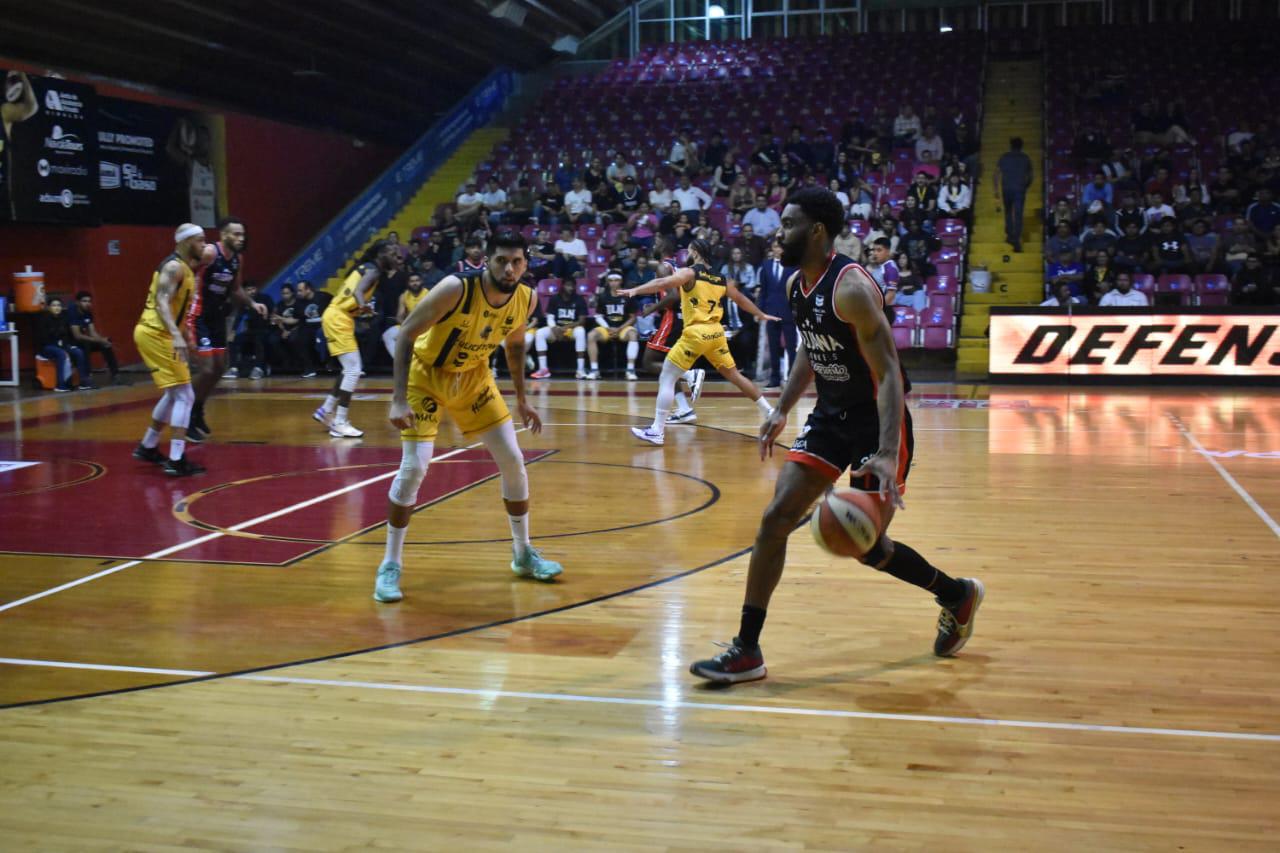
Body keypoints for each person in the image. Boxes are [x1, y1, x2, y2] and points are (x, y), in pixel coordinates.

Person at [689, 188, 983, 683]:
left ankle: (956, 593)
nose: (776, 233)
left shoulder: (850, 287)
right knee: (775, 519)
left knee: (866, 545)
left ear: (817, 231)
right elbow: (813, 345)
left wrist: (888, 453)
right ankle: (747, 649)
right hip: (830, 416)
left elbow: (889, 374)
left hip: (876, 422)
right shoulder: (795, 283)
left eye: (787, 224)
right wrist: (782, 407)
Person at [375, 230, 562, 602]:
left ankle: (522, 553)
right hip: (426, 378)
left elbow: (515, 346)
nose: (509, 269)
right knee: (414, 468)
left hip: (475, 379)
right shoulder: (454, 288)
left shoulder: (526, 298)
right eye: (502, 261)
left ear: (526, 264)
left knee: (513, 460)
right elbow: (405, 334)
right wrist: (397, 399)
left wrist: (522, 400)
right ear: (485, 260)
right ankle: (389, 565)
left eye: (517, 262)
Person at [620, 239, 780, 447]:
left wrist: (635, 290)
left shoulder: (689, 273)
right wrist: (761, 314)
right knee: (735, 375)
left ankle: (657, 430)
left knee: (667, 376)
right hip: (716, 333)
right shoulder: (721, 278)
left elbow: (662, 283)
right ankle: (770, 411)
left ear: (694, 252)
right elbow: (740, 299)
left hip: (696, 333)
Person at [131, 224, 207, 477]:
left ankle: (148, 446)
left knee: (175, 394)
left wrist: (187, 338)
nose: (204, 245)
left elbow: (179, 311)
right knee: (186, 395)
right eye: (199, 240)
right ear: (185, 242)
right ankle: (176, 459)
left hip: (160, 333)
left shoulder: (187, 270)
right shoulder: (174, 267)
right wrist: (175, 335)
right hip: (156, 333)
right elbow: (162, 301)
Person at [185, 217, 266, 442]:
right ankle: (186, 416)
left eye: (243, 234)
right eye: (236, 234)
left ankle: (198, 409)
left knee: (221, 367)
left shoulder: (237, 259)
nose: (241, 238)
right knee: (207, 368)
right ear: (223, 235)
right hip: (198, 314)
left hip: (216, 316)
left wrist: (252, 303)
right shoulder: (210, 253)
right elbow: (185, 273)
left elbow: (236, 289)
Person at [314, 241, 397, 438]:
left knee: (348, 369)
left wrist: (361, 308)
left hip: (339, 317)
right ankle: (340, 421)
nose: (396, 257)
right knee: (353, 370)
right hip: (338, 318)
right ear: (381, 254)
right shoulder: (373, 271)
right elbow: (359, 291)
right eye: (392, 253)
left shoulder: (366, 267)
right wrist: (364, 306)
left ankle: (326, 410)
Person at [757, 241, 796, 389]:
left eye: (780, 247)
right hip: (770, 311)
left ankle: (792, 379)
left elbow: (796, 290)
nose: (777, 249)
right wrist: (760, 311)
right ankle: (774, 378)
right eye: (775, 247)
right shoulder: (765, 265)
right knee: (773, 347)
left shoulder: (793, 265)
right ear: (772, 249)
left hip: (789, 311)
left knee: (791, 347)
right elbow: (763, 291)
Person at [531, 277, 589, 378]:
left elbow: (582, 321)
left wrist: (565, 327)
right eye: (568, 285)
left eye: (572, 286)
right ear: (562, 286)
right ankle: (543, 369)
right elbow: (550, 317)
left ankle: (580, 369)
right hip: (557, 328)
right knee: (540, 333)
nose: (570, 288)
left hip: (572, 329)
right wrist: (555, 329)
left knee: (581, 331)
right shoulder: (555, 298)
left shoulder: (579, 299)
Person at [587, 272, 640, 380]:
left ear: (620, 281)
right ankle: (594, 370)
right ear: (608, 282)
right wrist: (608, 328)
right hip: (607, 328)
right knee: (591, 335)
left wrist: (620, 328)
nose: (613, 283)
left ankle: (630, 370)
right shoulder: (603, 297)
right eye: (611, 281)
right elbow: (598, 316)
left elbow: (633, 318)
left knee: (633, 334)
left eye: (616, 280)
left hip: (623, 328)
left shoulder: (627, 296)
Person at [36, 298, 91, 392]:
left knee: (78, 352)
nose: (57, 308)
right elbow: (44, 339)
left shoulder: (64, 319)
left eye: (58, 305)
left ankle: (83, 382)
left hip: (62, 346)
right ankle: (60, 385)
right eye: (54, 305)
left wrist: (69, 346)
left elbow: (67, 336)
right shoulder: (43, 319)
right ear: (49, 307)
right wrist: (60, 345)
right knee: (61, 353)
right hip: (47, 347)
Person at [67, 291, 120, 383]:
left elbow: (92, 332)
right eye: (84, 301)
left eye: (89, 301)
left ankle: (115, 373)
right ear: (78, 302)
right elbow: (77, 335)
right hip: (71, 342)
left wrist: (103, 340)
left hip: (83, 340)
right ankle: (87, 376)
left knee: (105, 344)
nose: (87, 303)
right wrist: (96, 340)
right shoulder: (72, 312)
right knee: (86, 343)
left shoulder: (88, 313)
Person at [994, 137, 1033, 252]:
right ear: (1021, 146)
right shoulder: (1026, 158)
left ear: (1010, 145)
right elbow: (1030, 176)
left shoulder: (1004, 157)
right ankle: (1016, 238)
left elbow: (996, 174)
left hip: (1006, 188)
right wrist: (1026, 186)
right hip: (1020, 189)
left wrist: (996, 190)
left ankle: (1010, 235)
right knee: (1018, 213)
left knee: (1008, 212)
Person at [381, 273, 428, 357]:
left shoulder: (429, 294)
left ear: (422, 281)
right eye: (412, 281)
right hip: (409, 325)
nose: (415, 283)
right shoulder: (404, 296)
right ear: (408, 283)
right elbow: (399, 316)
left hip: (426, 327)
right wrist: (407, 326)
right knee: (387, 335)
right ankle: (399, 361)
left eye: (417, 280)